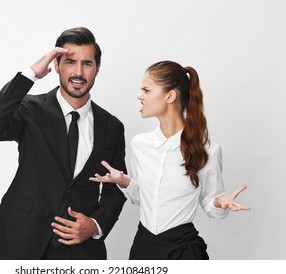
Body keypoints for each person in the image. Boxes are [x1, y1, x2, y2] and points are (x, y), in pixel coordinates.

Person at [0, 27, 127, 260]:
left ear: (98, 68)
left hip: (80, 249)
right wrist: (30, 74)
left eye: (87, 63)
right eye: (69, 62)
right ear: (56, 65)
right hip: (23, 240)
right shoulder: (29, 109)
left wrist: (96, 225)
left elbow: (115, 189)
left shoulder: (112, 127)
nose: (78, 72)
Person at [90, 60, 250, 260]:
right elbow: (144, 198)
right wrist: (125, 182)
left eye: (146, 90)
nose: (140, 96)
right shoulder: (139, 145)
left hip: (182, 252)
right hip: (144, 247)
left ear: (170, 96)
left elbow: (211, 206)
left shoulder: (208, 150)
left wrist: (219, 203)